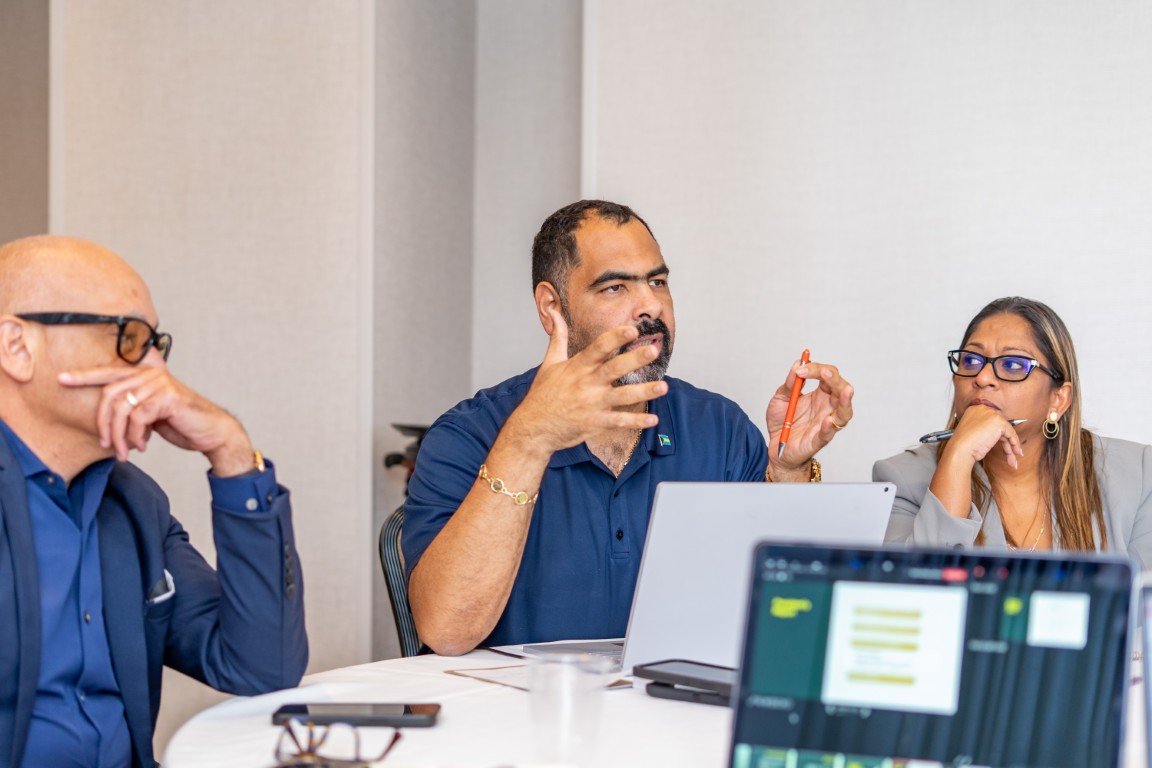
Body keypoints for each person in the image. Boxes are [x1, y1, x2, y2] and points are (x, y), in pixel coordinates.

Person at [402, 200, 855, 656]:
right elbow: (447, 631)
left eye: (658, 282)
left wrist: (789, 470)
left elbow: (788, 618)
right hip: (518, 700)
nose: (651, 306)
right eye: (615, 287)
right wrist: (529, 439)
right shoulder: (466, 436)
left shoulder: (720, 429)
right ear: (552, 307)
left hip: (670, 699)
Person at [0, 236, 308, 768]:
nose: (156, 372)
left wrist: (231, 451)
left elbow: (262, 667)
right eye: (128, 338)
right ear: (18, 348)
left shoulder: (134, 502)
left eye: (156, 344)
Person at [875, 296, 1152, 566]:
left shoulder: (1139, 476)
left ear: (1058, 399)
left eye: (1013, 365)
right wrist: (957, 457)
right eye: (970, 361)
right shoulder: (902, 480)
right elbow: (914, 587)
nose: (982, 378)